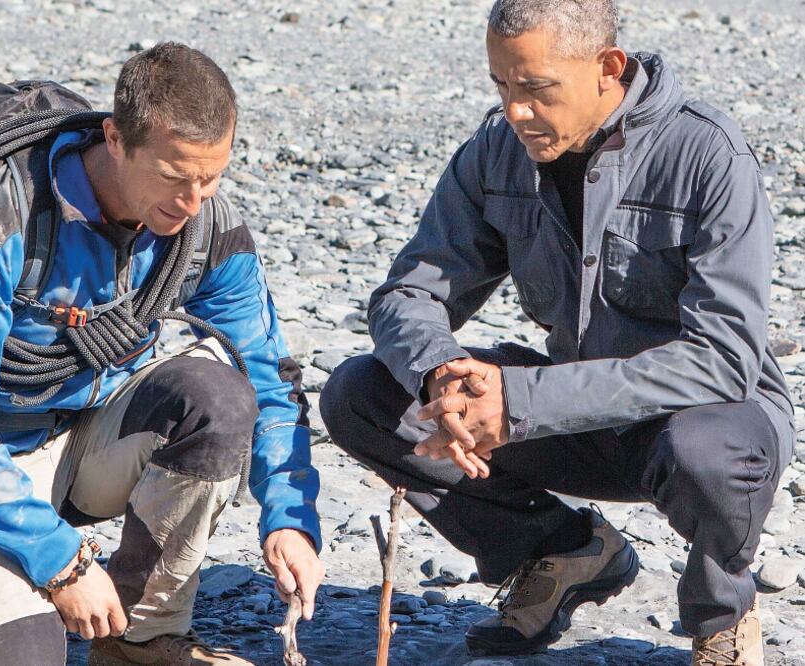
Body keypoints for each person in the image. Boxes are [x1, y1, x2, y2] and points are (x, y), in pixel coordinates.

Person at [320, 1, 793, 664]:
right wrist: (441, 374)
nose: (516, 111)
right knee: (361, 393)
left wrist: (521, 402)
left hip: (699, 425)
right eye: (502, 87)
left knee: (710, 454)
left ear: (607, 68)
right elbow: (408, 294)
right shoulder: (494, 153)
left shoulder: (705, 154)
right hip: (577, 424)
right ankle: (561, 551)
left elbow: (724, 359)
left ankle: (722, 614)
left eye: (537, 89)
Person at [0, 42, 324, 666]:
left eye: (210, 177)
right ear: (114, 138)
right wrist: (63, 564)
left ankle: (141, 641)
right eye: (173, 176)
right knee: (21, 656)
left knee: (219, 398)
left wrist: (291, 518)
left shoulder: (204, 225)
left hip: (95, 431)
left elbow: (272, 381)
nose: (192, 202)